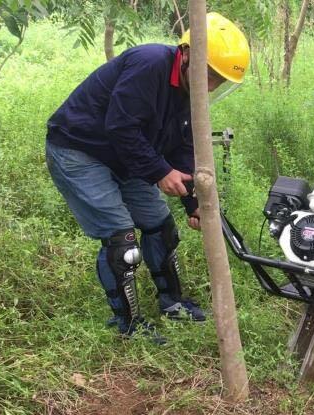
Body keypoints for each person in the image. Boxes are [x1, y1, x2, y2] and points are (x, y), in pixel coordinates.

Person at [45, 12, 250, 339]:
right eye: (209, 73)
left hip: (126, 156)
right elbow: (121, 127)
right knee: (122, 240)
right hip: (80, 150)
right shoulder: (149, 64)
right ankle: (127, 325)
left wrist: (192, 200)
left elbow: (182, 144)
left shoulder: (188, 92)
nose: (210, 85)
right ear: (186, 55)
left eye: (219, 80)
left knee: (161, 227)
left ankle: (172, 302)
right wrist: (159, 172)